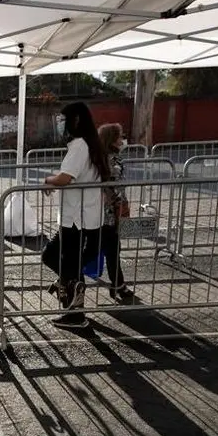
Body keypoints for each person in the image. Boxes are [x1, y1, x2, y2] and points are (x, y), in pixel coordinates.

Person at [41, 102, 110, 329]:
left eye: (63, 120)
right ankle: (72, 292)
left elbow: (65, 178)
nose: (61, 124)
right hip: (85, 217)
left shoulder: (80, 145)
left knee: (54, 257)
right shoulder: (91, 144)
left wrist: (47, 180)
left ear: (75, 120)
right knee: (66, 261)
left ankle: (75, 309)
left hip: (75, 219)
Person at [97, 123, 136, 302]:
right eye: (120, 136)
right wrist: (118, 202)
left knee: (112, 248)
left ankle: (118, 284)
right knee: (109, 248)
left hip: (112, 210)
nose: (123, 139)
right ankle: (118, 285)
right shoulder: (110, 159)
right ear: (112, 139)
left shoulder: (109, 157)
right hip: (109, 212)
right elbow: (112, 185)